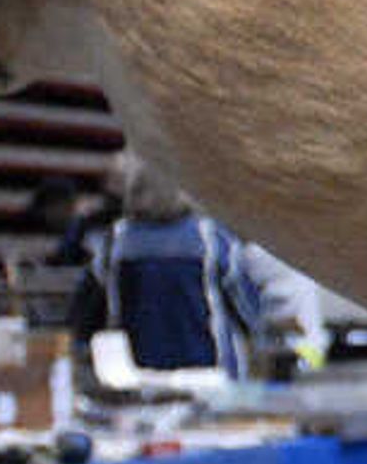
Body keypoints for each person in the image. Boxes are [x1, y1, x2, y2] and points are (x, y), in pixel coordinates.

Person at [64, 155, 260, 373]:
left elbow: (85, 313)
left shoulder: (115, 241)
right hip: (210, 374)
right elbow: (250, 313)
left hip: (136, 375)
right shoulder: (212, 239)